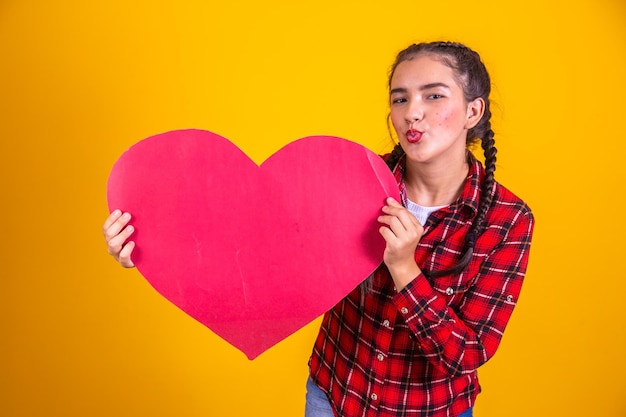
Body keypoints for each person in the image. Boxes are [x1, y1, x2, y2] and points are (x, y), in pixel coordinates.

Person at [103, 41, 534, 417]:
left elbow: (465, 354)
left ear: (473, 110)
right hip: (334, 396)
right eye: (399, 99)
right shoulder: (348, 181)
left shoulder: (507, 218)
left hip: (430, 409)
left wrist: (404, 269)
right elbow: (263, 256)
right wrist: (154, 246)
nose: (412, 113)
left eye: (433, 95)